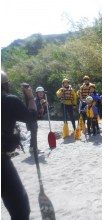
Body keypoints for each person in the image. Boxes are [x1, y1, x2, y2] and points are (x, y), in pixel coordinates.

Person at [1, 70, 37, 220]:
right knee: (21, 209)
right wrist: (29, 97)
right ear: (5, 85)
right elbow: (32, 117)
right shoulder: (9, 100)